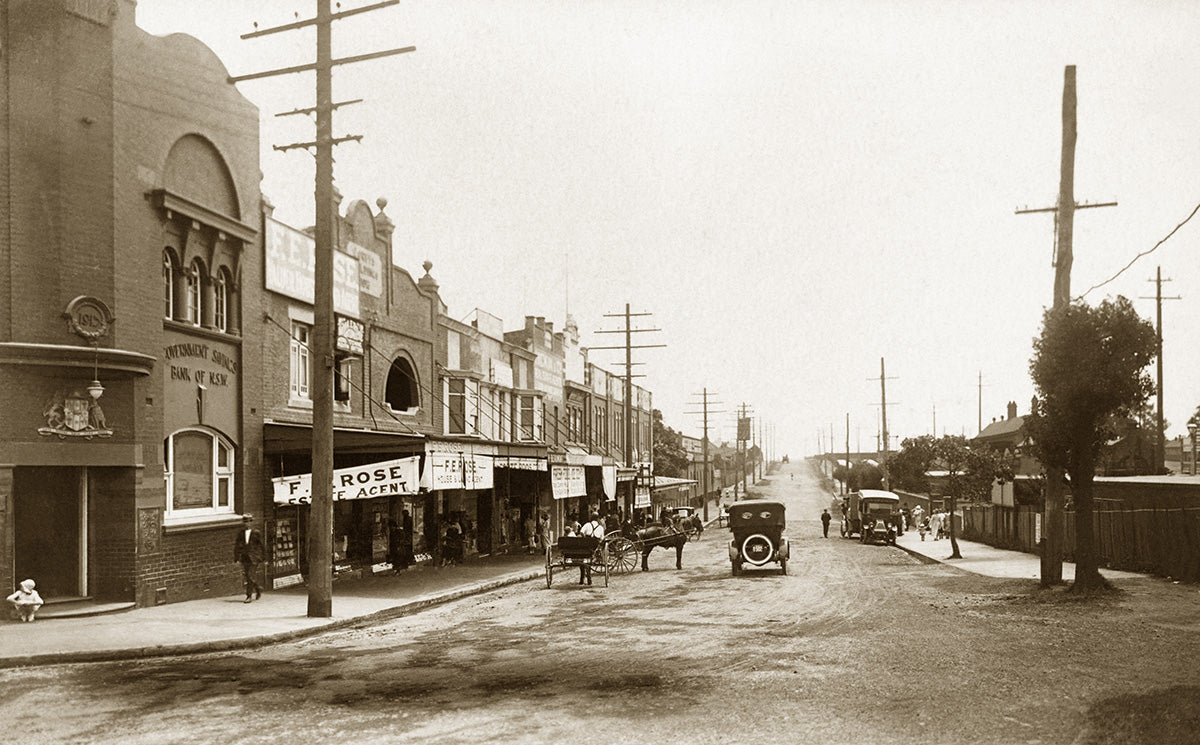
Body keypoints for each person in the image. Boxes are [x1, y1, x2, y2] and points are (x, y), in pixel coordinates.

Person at [233, 513, 265, 603]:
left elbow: (261, 545)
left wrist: (263, 557)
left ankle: (249, 596)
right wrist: (236, 557)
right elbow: (237, 545)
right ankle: (258, 588)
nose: (247, 524)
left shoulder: (256, 533)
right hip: (245, 557)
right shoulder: (241, 533)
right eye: (245, 522)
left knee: (250, 575)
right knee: (247, 576)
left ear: (252, 522)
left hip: (254, 557)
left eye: (248, 522)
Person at [578, 512, 605, 585]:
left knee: (582, 560)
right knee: (589, 560)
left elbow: (581, 532)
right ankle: (589, 579)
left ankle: (582, 579)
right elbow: (602, 539)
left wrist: (584, 538)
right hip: (594, 547)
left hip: (586, 546)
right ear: (597, 519)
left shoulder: (587, 525)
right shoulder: (600, 527)